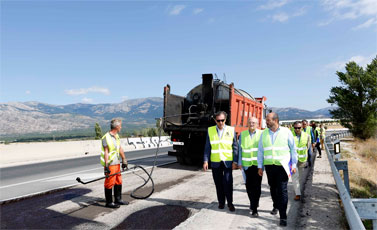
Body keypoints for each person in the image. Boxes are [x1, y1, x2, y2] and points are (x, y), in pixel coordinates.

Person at [257, 113, 297, 227]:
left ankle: (283, 216)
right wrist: (260, 166)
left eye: (268, 120)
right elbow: (260, 151)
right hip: (270, 166)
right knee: (273, 189)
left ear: (275, 120)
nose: (266, 122)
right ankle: (276, 205)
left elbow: (293, 149)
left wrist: (293, 164)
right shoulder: (264, 133)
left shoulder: (286, 132)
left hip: (282, 166)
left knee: (282, 190)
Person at [203, 111, 238, 212]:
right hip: (215, 162)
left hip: (227, 162)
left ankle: (230, 203)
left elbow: (235, 147)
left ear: (225, 120)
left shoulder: (231, 130)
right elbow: (207, 147)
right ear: (215, 120)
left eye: (222, 120)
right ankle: (221, 202)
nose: (220, 122)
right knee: (218, 184)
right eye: (218, 121)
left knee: (228, 183)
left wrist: (235, 161)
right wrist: (205, 161)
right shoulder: (210, 130)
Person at [101, 118, 129, 208]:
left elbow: (119, 148)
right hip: (110, 164)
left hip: (117, 163)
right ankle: (109, 202)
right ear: (116, 127)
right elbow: (106, 152)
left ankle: (118, 199)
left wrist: (124, 159)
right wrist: (106, 166)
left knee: (118, 181)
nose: (121, 127)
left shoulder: (117, 136)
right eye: (120, 126)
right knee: (109, 182)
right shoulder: (106, 137)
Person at [238, 117, 263, 217]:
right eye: (250, 122)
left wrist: (262, 165)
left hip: (258, 165)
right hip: (247, 165)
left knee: (257, 187)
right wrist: (239, 162)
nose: (251, 124)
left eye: (253, 122)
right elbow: (240, 149)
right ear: (247, 124)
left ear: (257, 124)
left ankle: (254, 208)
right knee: (248, 186)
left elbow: (263, 150)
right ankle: (253, 202)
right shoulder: (243, 134)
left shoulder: (262, 134)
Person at [291, 121, 310, 201]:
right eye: (295, 128)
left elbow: (308, 147)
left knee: (300, 177)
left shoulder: (307, 136)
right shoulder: (290, 136)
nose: (297, 129)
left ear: (302, 127)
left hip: (302, 160)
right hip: (293, 161)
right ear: (293, 128)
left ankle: (297, 190)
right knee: (295, 177)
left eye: (299, 128)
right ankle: (298, 194)